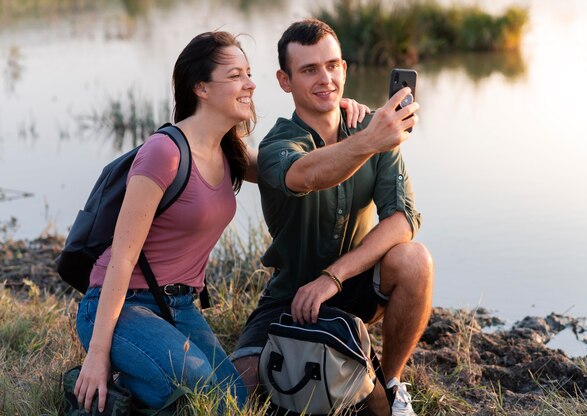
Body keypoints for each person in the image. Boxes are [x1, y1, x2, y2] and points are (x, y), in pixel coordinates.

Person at [72, 30, 369, 413]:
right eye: (235, 76)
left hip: (180, 305)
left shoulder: (230, 151)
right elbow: (122, 260)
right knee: (208, 401)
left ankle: (140, 374)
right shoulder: (165, 152)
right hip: (121, 305)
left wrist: (337, 113)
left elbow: (300, 173)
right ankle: (113, 383)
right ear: (201, 88)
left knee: (237, 401)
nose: (250, 83)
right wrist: (98, 355)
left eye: (248, 73)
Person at [231, 19, 434, 416]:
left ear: (345, 68)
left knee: (415, 259)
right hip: (290, 296)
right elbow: (306, 174)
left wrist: (333, 278)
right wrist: (368, 141)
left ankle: (390, 385)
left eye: (332, 65)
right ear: (284, 80)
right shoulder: (279, 143)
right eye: (309, 70)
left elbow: (403, 219)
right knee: (242, 386)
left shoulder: (373, 127)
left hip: (354, 290)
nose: (325, 78)